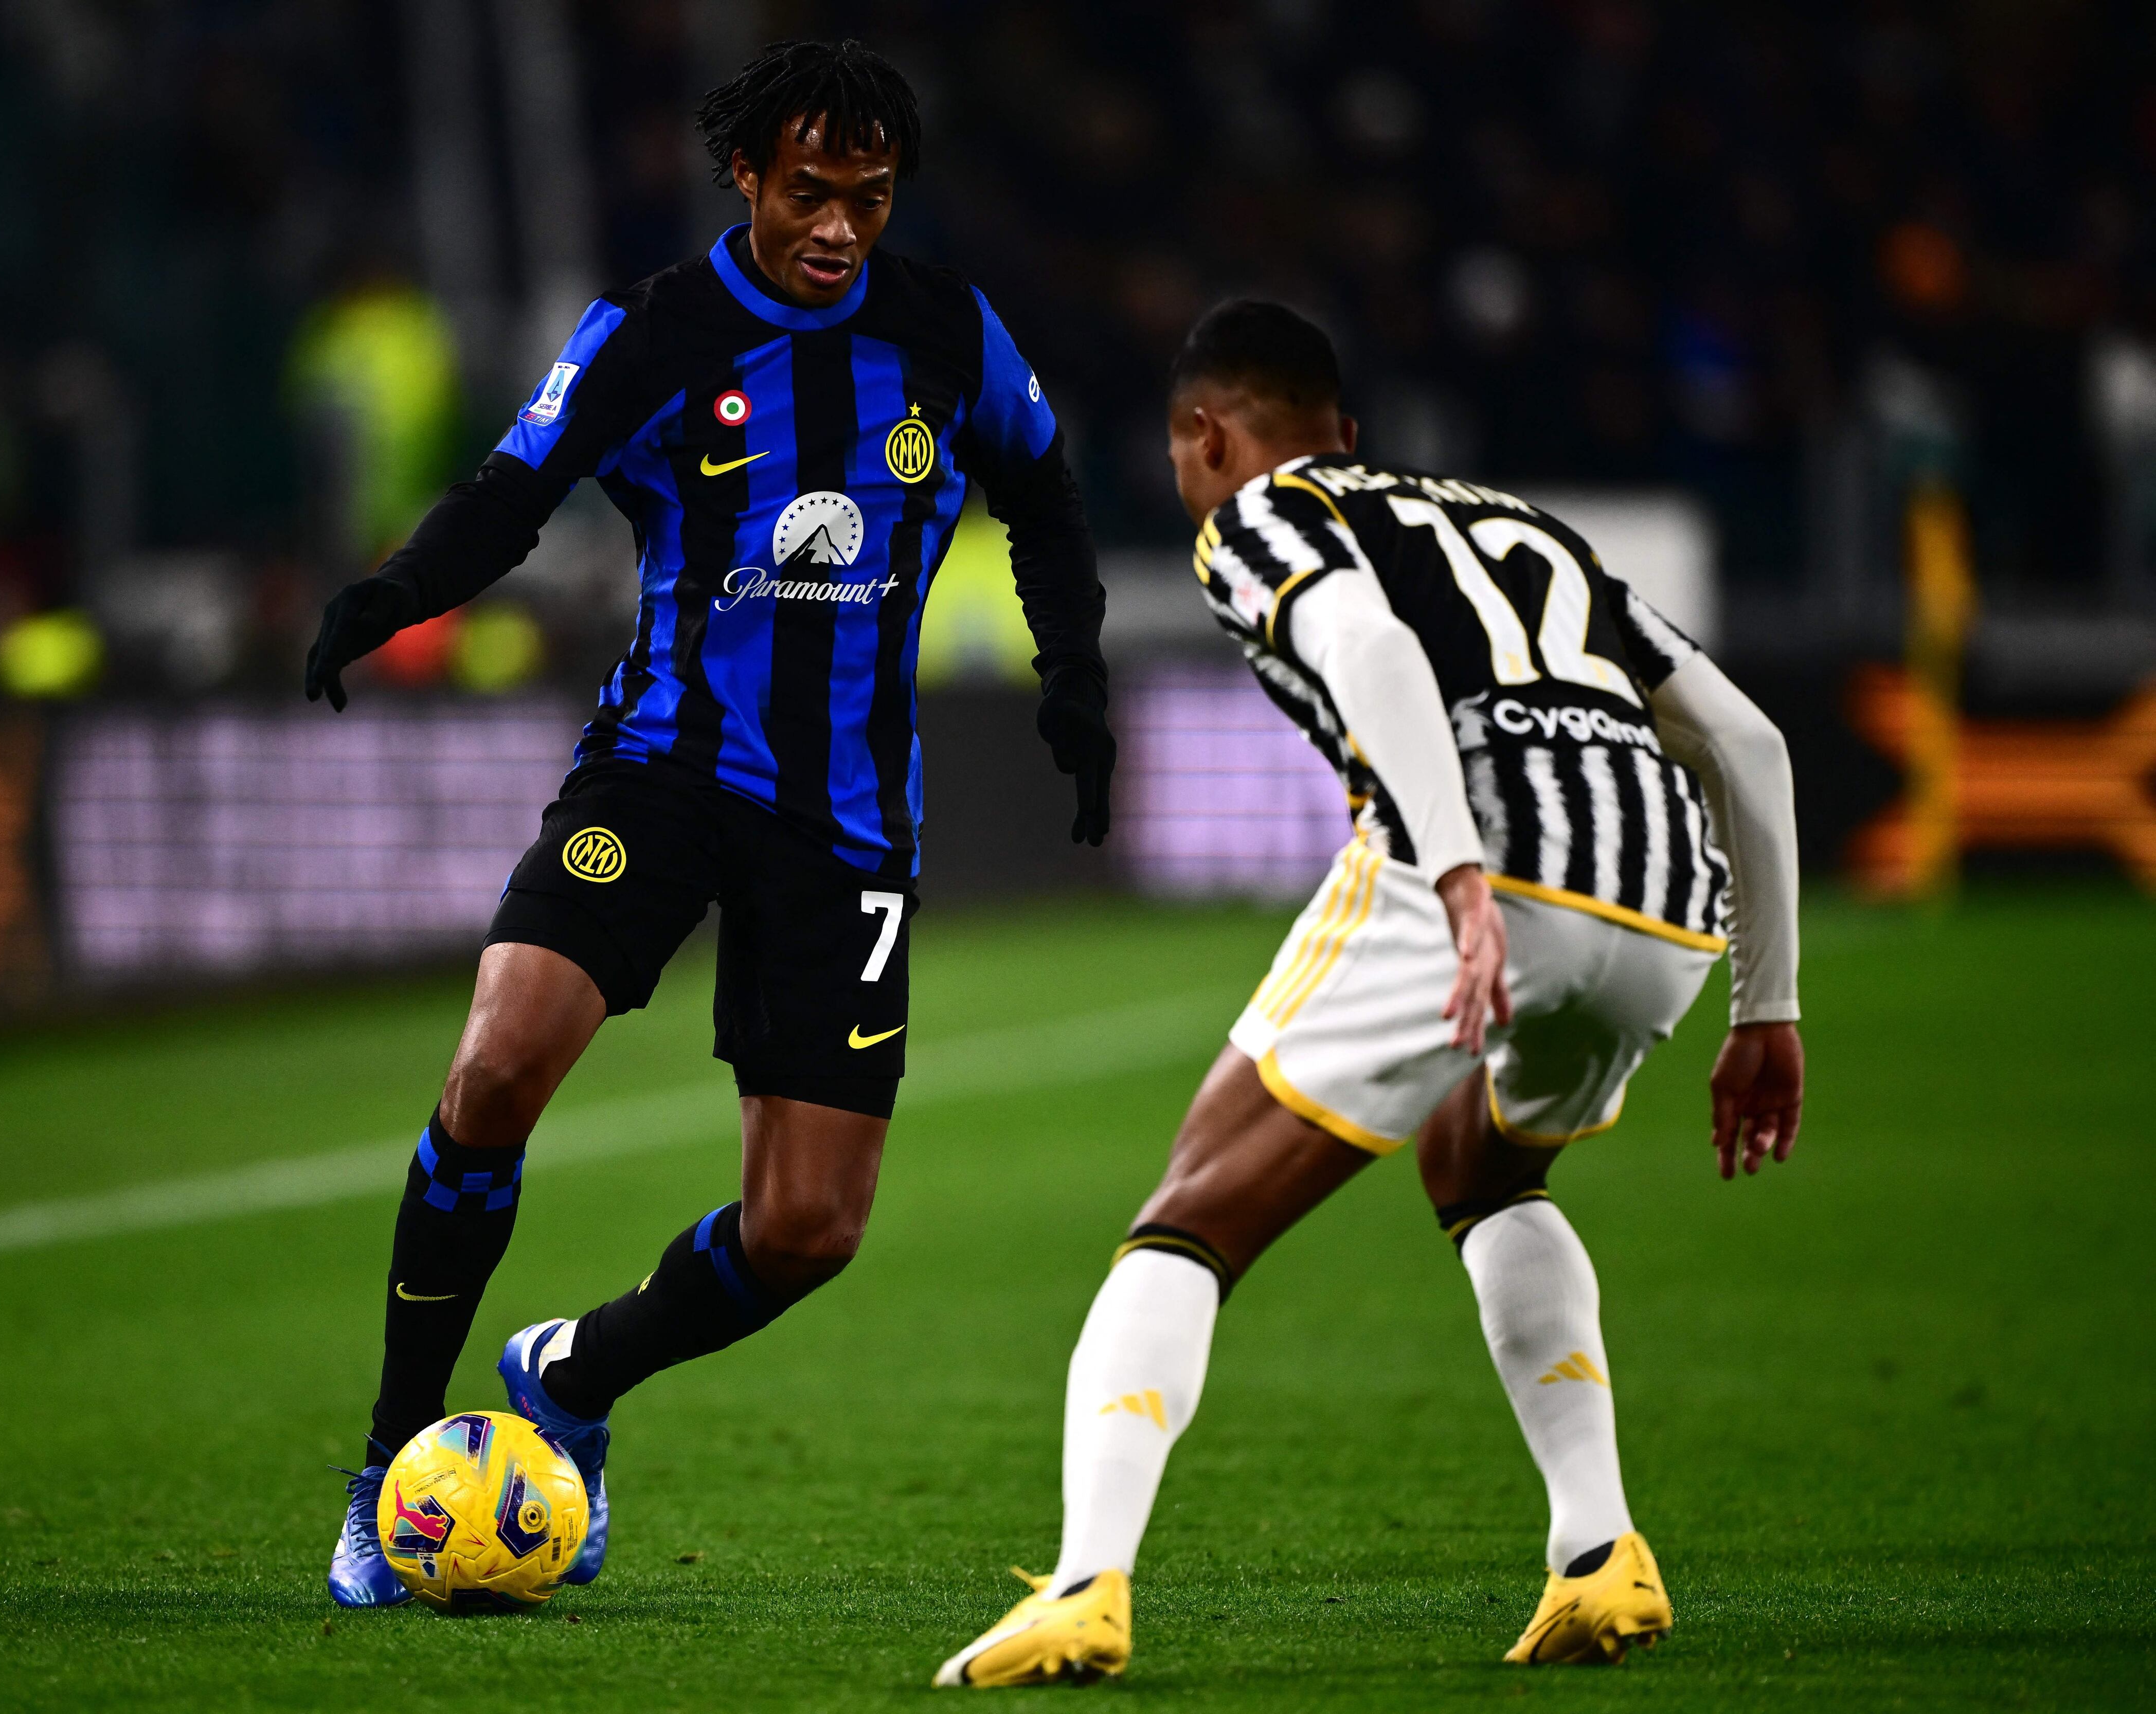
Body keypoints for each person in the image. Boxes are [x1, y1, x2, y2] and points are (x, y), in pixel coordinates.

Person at [303, 39, 1112, 1606]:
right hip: (662, 770)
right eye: (810, 192)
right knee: (493, 1063)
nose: (837, 228)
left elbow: (1050, 494)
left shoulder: (947, 331)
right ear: (745, 175)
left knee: (807, 1228)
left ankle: (574, 1372)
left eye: (868, 199)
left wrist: (1073, 676)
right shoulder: (659, 329)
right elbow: (514, 485)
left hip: (846, 816)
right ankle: (395, 1461)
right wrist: (398, 589)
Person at [935, 301, 1803, 1686]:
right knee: (1486, 1169)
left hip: (1486, 868)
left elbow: (1374, 651)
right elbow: (1751, 743)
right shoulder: (1527, 532)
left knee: (1190, 1218)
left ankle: (1089, 1580)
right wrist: (1771, 1010)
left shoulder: (1265, 512)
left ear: (1210, 437)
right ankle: (1601, 1548)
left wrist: (1460, 876)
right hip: (1664, 895)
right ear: (1350, 430)